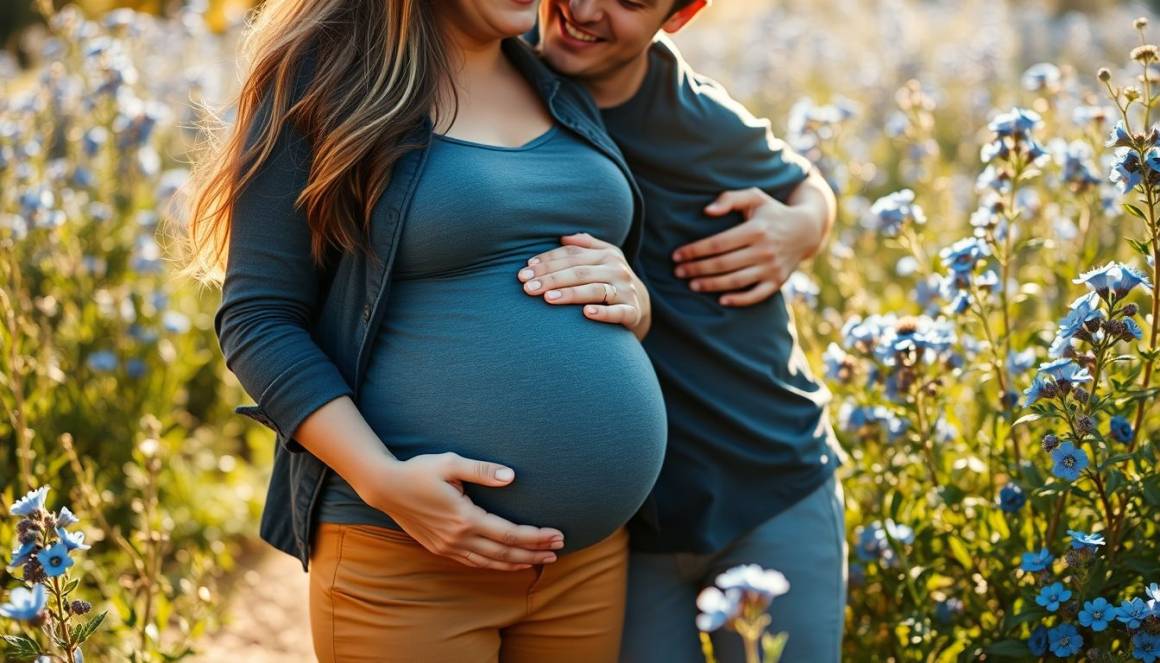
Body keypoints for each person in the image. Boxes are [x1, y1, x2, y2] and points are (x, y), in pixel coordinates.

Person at [180, 0, 668, 660]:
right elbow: (258, 317)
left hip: (584, 564)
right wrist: (382, 478)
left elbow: (719, 137)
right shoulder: (324, 74)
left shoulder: (557, 71)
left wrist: (634, 297)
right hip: (405, 561)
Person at [525, 2, 847, 661]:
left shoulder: (693, 111)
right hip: (622, 530)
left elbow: (807, 182)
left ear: (682, 14)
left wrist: (803, 225)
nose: (586, 8)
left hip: (770, 486)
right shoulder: (499, 74)